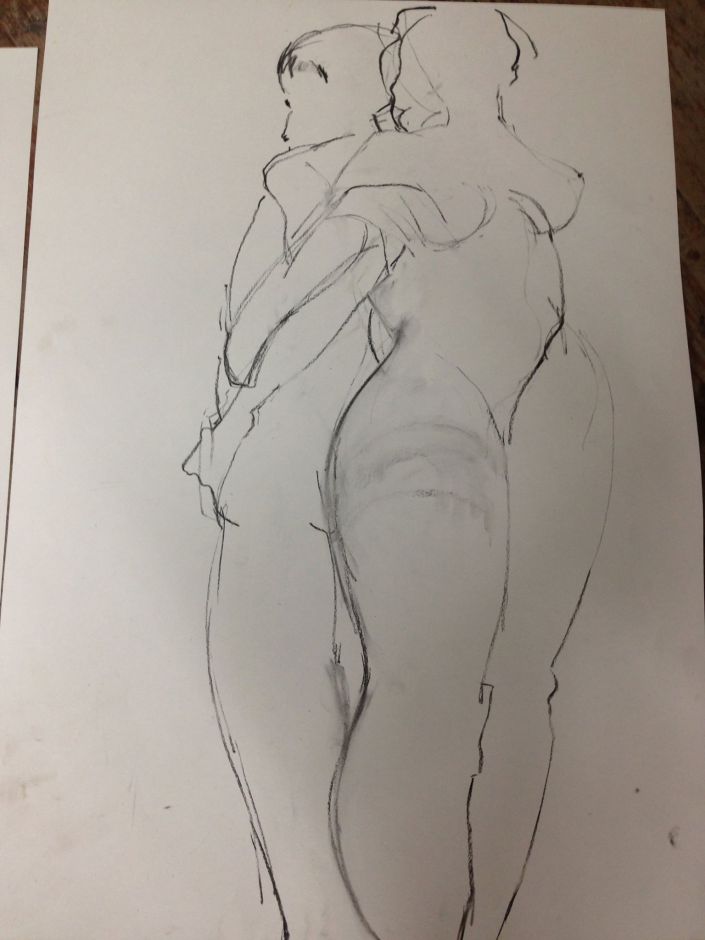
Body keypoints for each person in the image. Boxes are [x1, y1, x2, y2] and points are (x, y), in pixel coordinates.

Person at [184, 8, 613, 939]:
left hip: (418, 447)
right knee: (451, 703)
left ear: (416, 83)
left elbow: (254, 335)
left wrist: (252, 388)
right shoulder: (532, 199)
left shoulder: (387, 187)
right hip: (475, 450)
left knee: (406, 704)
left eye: (401, 75)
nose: (392, 96)